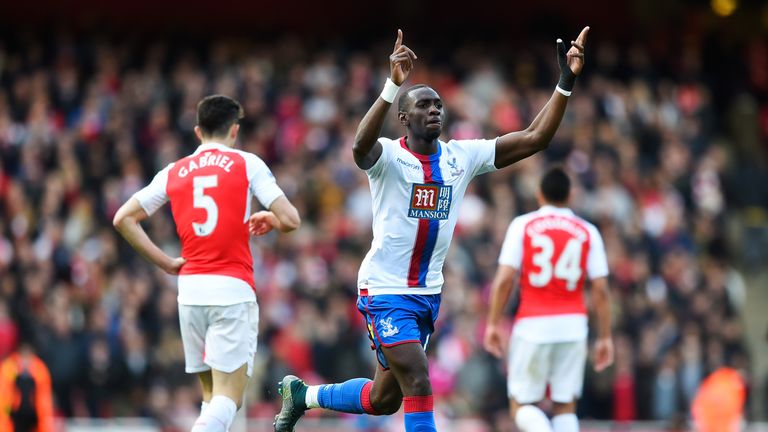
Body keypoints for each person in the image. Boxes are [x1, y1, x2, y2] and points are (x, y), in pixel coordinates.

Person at [274, 26, 590, 432]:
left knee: (384, 399)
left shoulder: (463, 156)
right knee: (420, 378)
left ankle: (303, 395)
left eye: (439, 104)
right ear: (403, 118)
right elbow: (358, 148)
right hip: (385, 289)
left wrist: (566, 81)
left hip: (427, 293)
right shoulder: (388, 156)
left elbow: (535, 137)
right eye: (424, 106)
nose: (435, 110)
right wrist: (391, 85)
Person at [113, 95, 300, 432]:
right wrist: (272, 219)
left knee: (211, 397)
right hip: (231, 290)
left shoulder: (175, 170)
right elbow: (292, 219)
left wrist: (168, 263)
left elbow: (123, 218)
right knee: (230, 398)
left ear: (198, 131)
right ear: (235, 130)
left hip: (190, 292)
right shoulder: (247, 163)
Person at [483, 167, 613, 432]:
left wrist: (494, 323)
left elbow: (505, 279)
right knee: (565, 405)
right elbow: (600, 289)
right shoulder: (587, 231)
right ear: (571, 196)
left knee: (521, 405)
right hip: (574, 326)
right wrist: (605, 336)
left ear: (539, 194)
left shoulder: (523, 225)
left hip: (533, 324)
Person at [0, 342, 55, 432]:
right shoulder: (9, 367)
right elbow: (4, 395)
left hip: (33, 416)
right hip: (15, 415)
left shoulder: (39, 369)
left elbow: (44, 398)